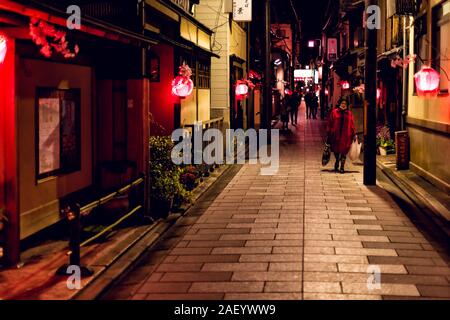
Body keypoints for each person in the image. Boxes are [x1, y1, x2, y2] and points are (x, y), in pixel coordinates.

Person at [326, 97, 356, 173]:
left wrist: (354, 134)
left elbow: (352, 124)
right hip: (335, 135)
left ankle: (342, 166)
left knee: (344, 151)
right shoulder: (334, 112)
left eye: (345, 104)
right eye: (342, 103)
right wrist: (328, 132)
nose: (343, 105)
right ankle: (337, 160)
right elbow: (330, 122)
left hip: (346, 135)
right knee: (335, 150)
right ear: (339, 104)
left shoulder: (349, 114)